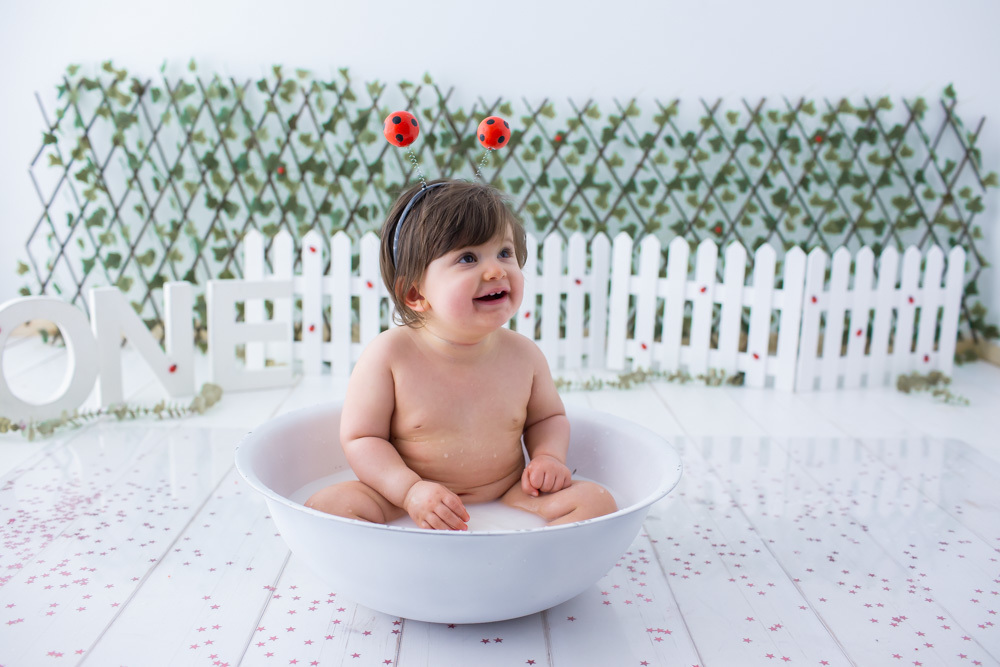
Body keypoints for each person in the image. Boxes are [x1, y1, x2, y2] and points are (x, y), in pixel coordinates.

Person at [306, 179, 617, 530]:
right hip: (402, 499)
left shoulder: (524, 355)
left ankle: (530, 556)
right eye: (468, 258)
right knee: (325, 508)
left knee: (597, 502)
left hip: (506, 493)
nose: (497, 270)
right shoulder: (390, 356)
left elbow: (547, 418)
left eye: (505, 252)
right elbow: (363, 439)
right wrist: (409, 491)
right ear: (415, 294)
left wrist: (548, 457)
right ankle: (397, 552)